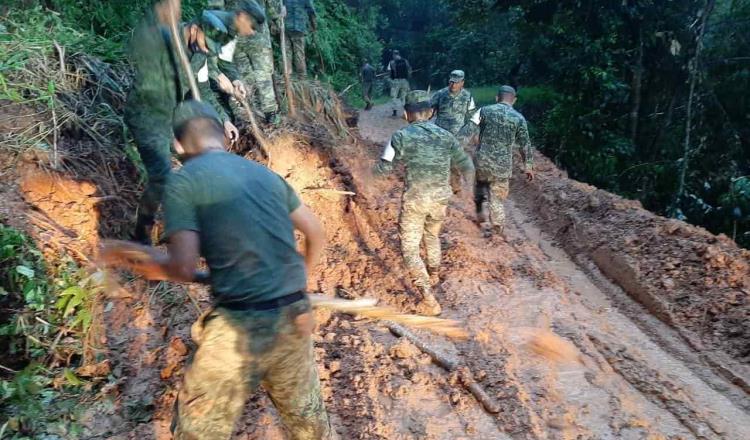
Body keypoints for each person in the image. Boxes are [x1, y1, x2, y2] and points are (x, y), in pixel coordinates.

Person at [101, 100, 336, 440]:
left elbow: (182, 267)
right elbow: (315, 233)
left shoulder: (184, 182)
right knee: (309, 425)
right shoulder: (266, 176)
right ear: (226, 135)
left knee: (198, 431)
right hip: (294, 319)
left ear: (178, 146)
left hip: (237, 329)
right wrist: (300, 284)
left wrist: (129, 253)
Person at [125, 0, 243, 244]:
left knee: (198, 165)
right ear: (195, 29)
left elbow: (202, 91)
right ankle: (141, 233)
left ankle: (189, 225)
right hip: (148, 116)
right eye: (204, 44)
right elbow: (138, 44)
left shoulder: (200, 54)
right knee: (162, 176)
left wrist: (223, 120)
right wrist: (157, 19)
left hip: (172, 117)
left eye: (210, 49)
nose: (205, 50)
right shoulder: (166, 36)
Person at [374, 91, 475, 316]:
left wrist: (366, 174)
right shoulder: (447, 136)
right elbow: (465, 164)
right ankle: (435, 273)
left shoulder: (399, 136)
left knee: (410, 248)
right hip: (440, 200)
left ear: (406, 114)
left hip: (415, 201)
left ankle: (429, 299)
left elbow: (384, 167)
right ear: (430, 113)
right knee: (432, 236)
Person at [469, 85, 534, 236]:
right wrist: (528, 165)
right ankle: (497, 230)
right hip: (502, 167)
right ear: (514, 100)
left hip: (482, 162)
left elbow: (468, 130)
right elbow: (525, 144)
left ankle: (480, 212)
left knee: (480, 187)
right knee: (496, 198)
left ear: (497, 98)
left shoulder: (483, 111)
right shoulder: (519, 118)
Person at [225, 0, 283, 125]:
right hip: (257, 33)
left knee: (244, 74)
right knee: (263, 75)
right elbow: (272, 6)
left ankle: (250, 109)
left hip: (236, 30)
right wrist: (277, 19)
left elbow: (218, 5)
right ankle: (270, 113)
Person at [430, 70, 477, 137]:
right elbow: (429, 112)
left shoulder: (468, 96)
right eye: (451, 82)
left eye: (457, 82)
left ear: (462, 82)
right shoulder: (440, 94)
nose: (453, 85)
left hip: (458, 134)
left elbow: (472, 116)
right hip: (441, 133)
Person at [283, 0, 317, 77]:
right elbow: (311, 12)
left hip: (286, 27)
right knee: (299, 53)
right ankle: (301, 76)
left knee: (287, 51)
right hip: (299, 27)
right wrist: (314, 27)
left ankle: (287, 74)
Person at [387, 50, 412, 117]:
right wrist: (407, 79)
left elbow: (389, 72)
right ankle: (405, 111)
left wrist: (390, 79)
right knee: (403, 96)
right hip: (404, 80)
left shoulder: (391, 62)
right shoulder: (405, 61)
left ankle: (394, 111)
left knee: (393, 96)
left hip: (396, 81)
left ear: (393, 55)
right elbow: (409, 70)